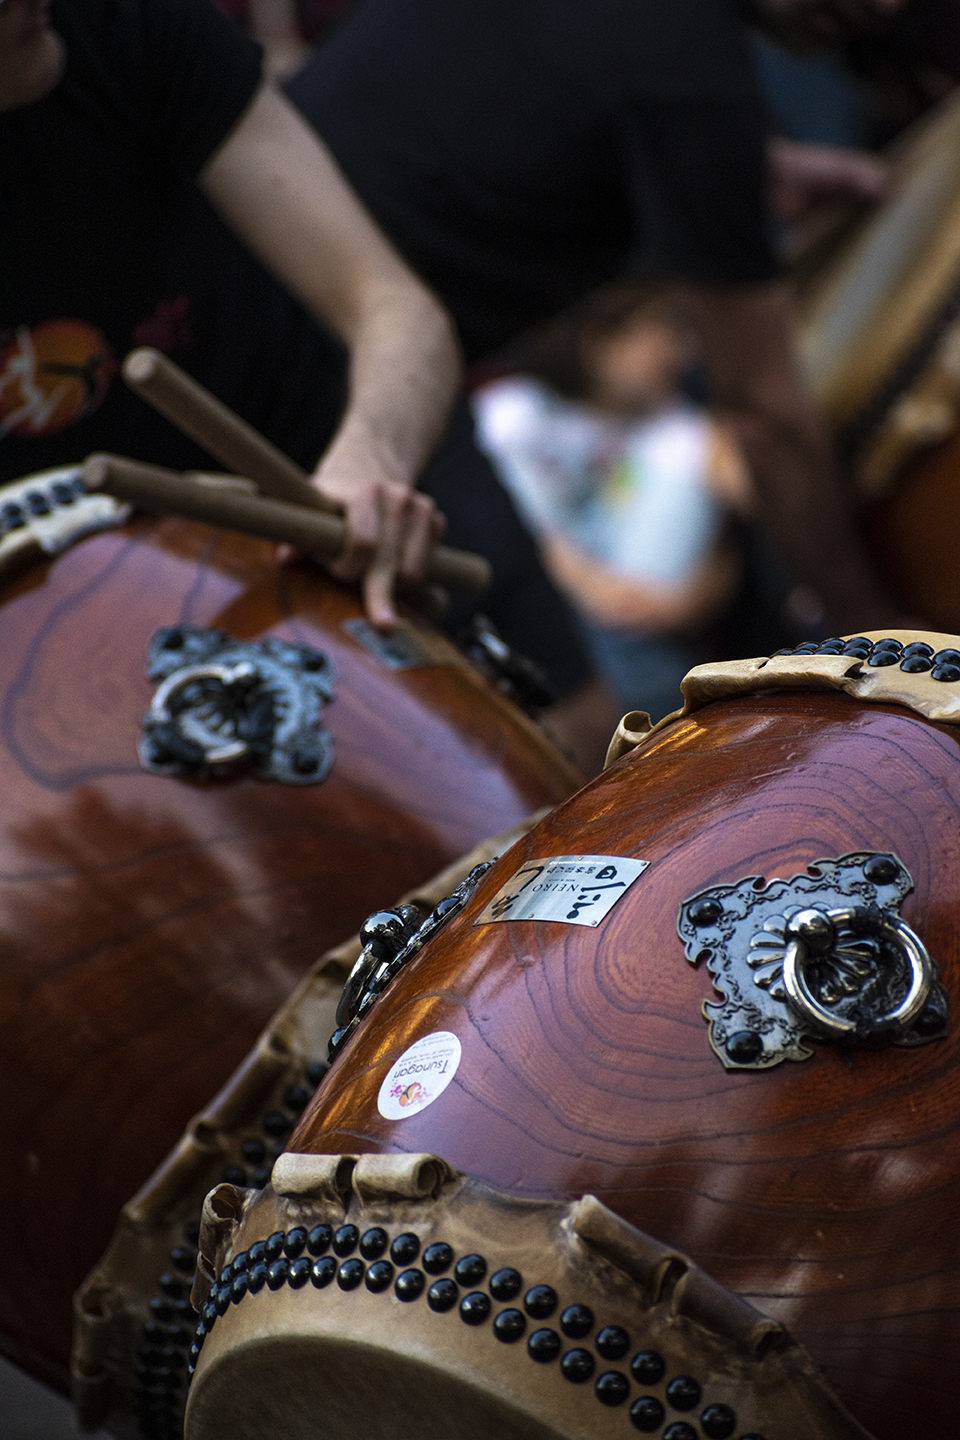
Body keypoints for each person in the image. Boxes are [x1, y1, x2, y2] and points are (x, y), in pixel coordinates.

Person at [286, 0, 911, 640]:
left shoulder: (672, 60)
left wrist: (741, 169)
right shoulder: (686, 63)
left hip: (318, 338)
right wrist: (872, 629)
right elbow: (763, 413)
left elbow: (538, 97)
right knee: (566, 714)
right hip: (313, 370)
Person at [0, 0, 462, 630]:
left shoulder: (126, 26)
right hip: (60, 626)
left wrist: (371, 459)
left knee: (577, 715)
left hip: (313, 515)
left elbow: (394, 306)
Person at [474, 283, 752, 720]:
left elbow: (729, 542)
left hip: (657, 634)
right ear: (601, 344)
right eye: (662, 328)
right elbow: (518, 532)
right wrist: (599, 591)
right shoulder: (517, 412)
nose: (683, 353)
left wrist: (684, 604)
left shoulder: (683, 429)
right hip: (564, 626)